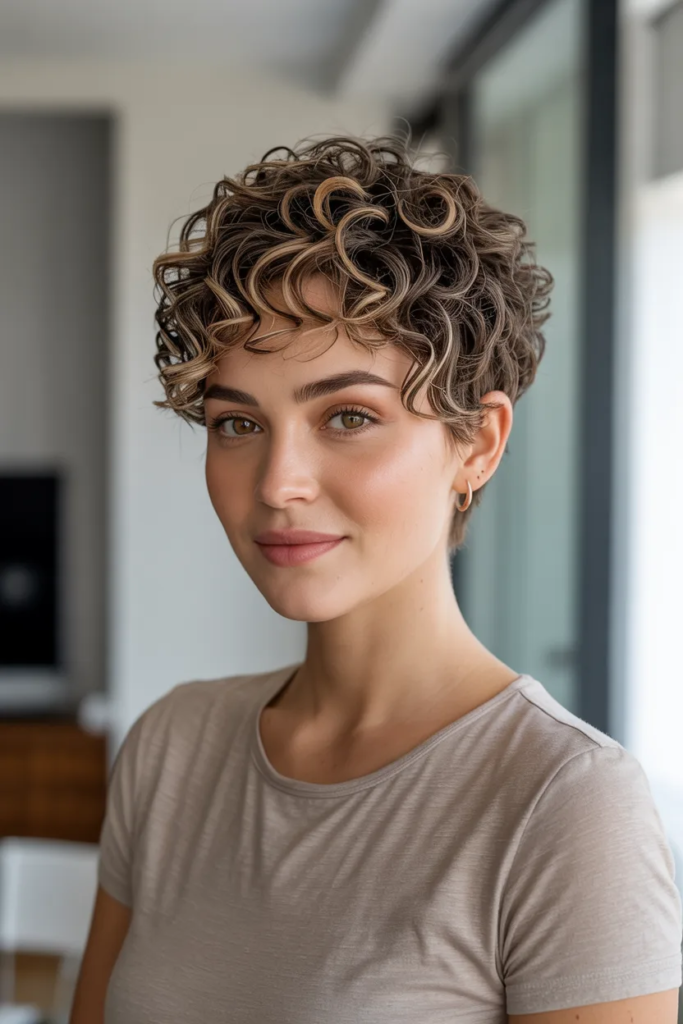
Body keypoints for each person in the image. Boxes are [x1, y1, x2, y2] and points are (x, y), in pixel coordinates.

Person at [69, 135, 682, 1024]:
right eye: (237, 424)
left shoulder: (565, 805)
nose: (279, 483)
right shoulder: (171, 748)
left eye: (347, 415)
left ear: (477, 442)